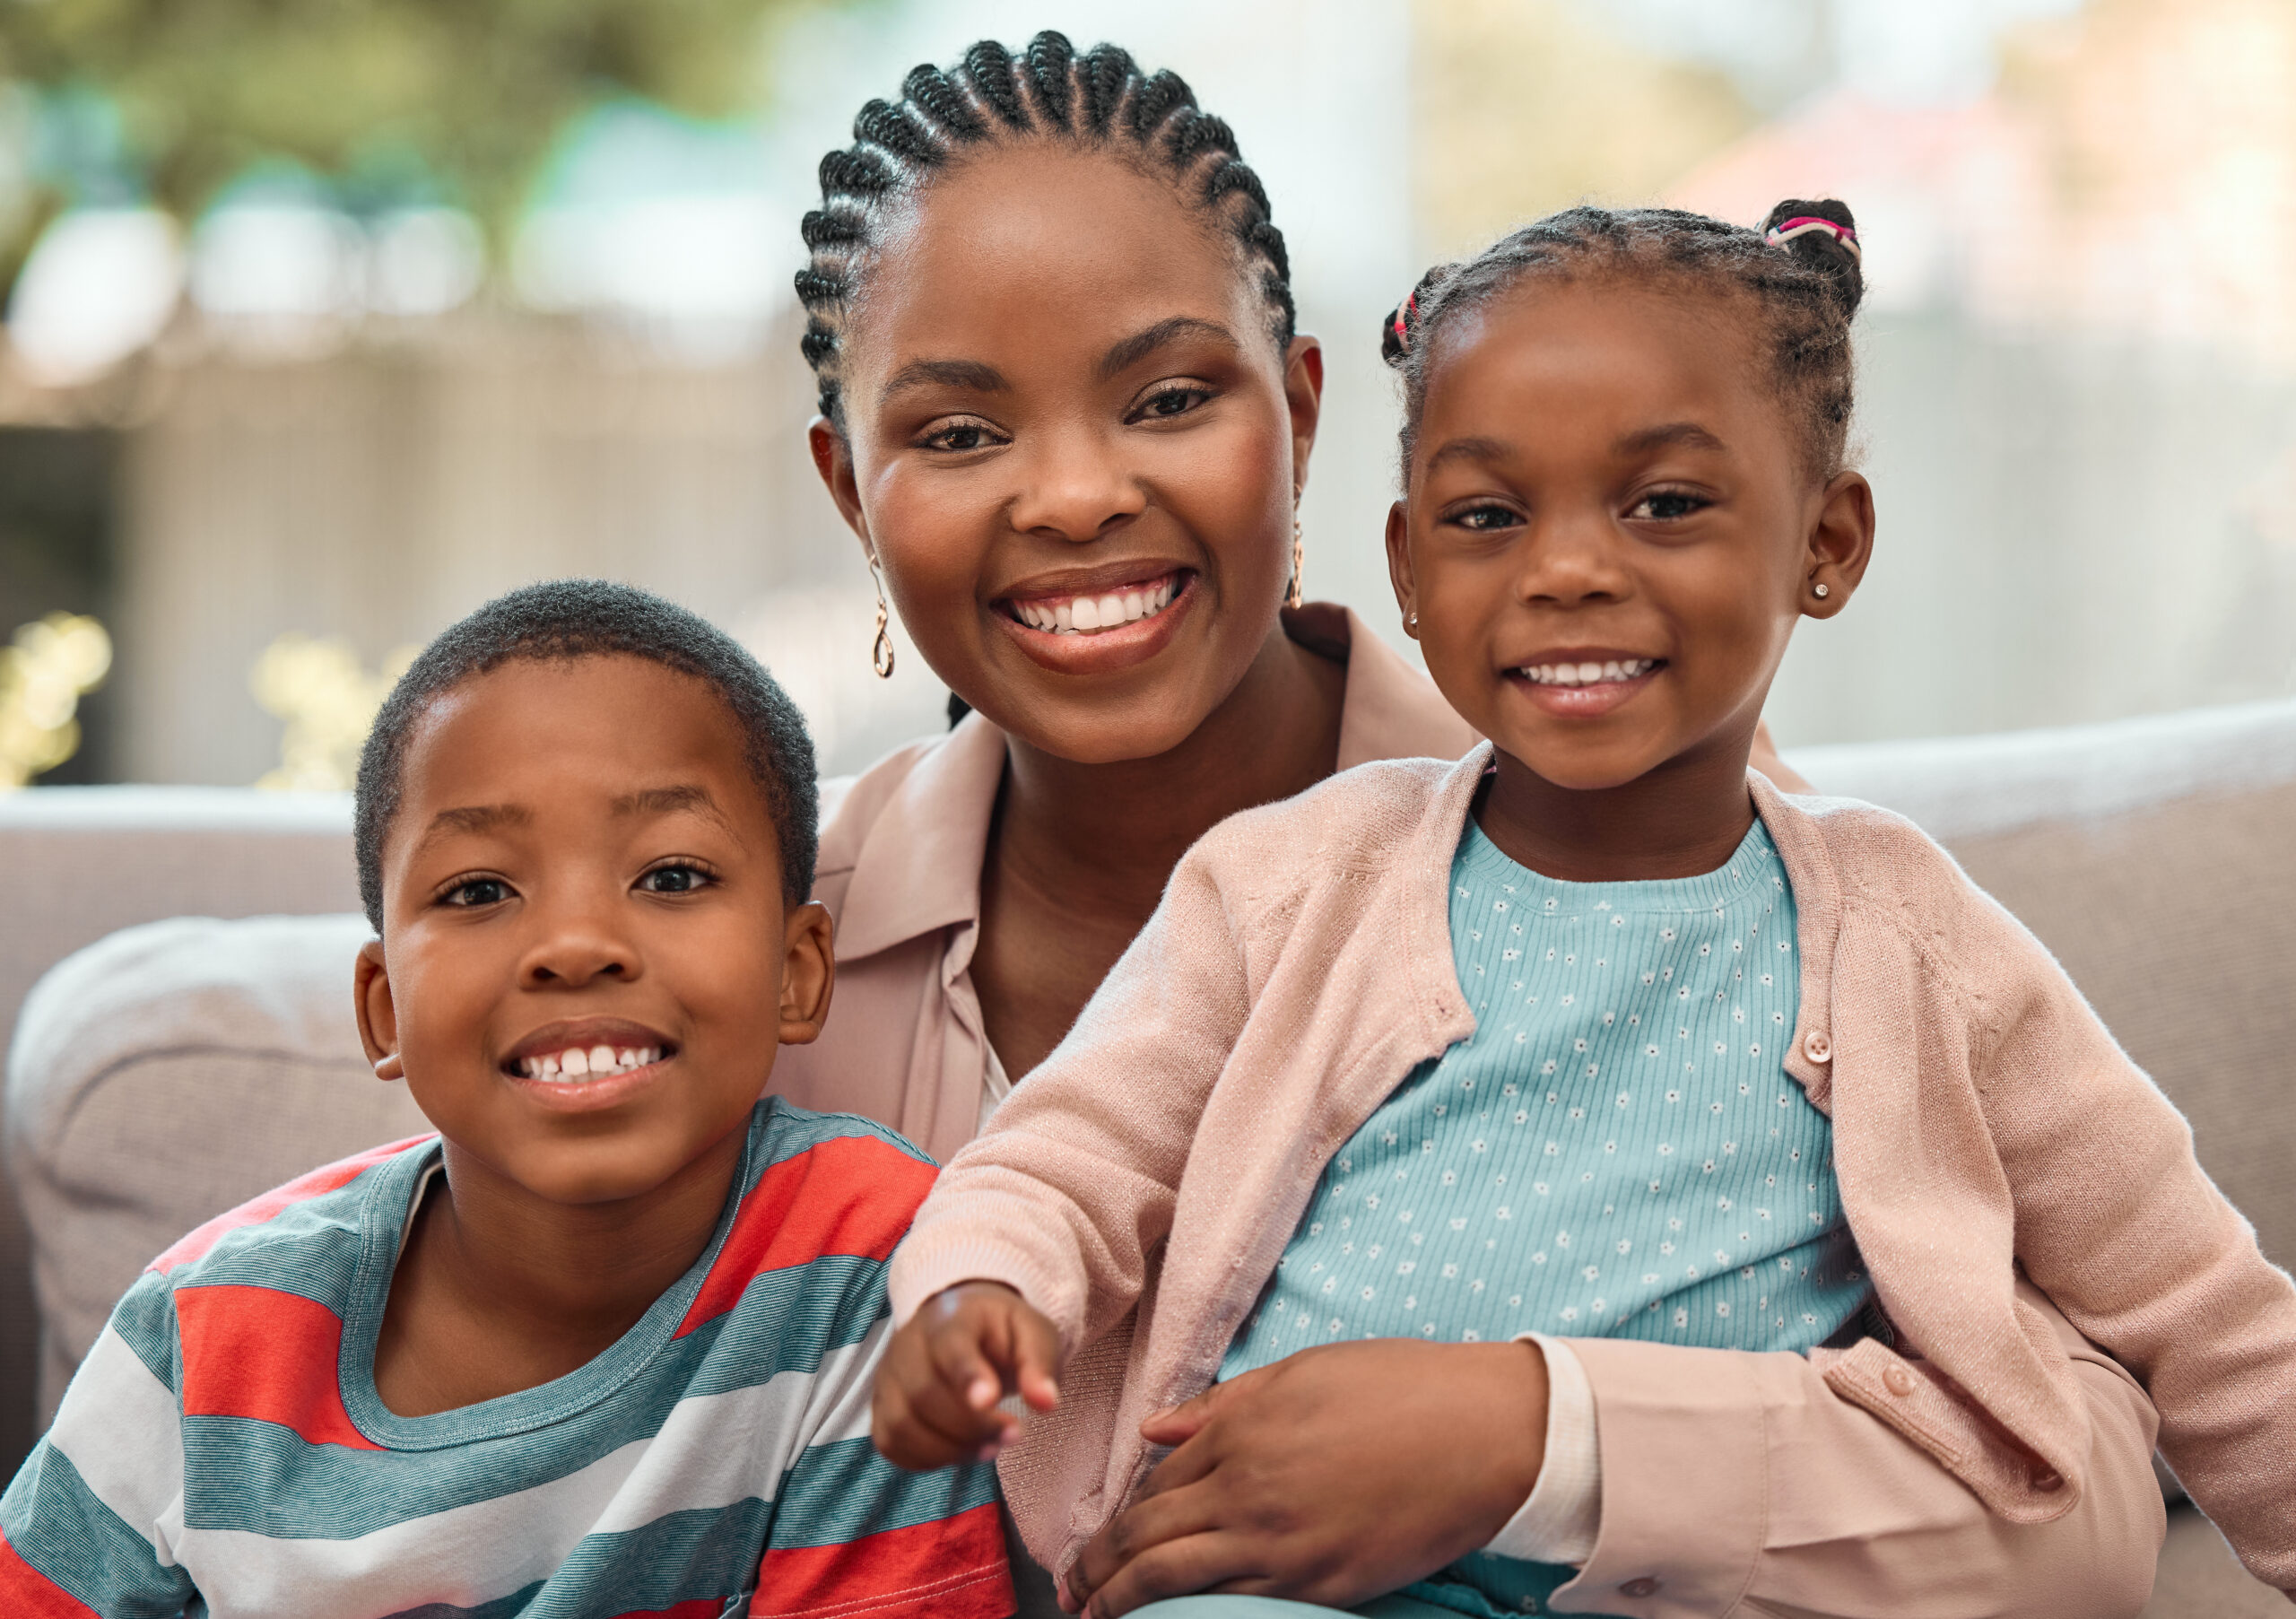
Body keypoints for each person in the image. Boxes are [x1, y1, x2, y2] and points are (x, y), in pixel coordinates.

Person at [872, 204, 2296, 1616]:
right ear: (1413, 569)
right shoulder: (1291, 878)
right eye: (1488, 517)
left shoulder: (1911, 934)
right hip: (1281, 1580)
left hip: (1701, 1575)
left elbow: (2203, 1317)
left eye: (1665, 504)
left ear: (1831, 541)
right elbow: (1062, 1160)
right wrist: (978, 1291)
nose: (1565, 571)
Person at [772, 31, 1805, 1169]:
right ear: (850, 493)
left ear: (1298, 418)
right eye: (960, 434)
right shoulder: (749, 944)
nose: (1074, 499)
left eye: (1167, 399)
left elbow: (1993, 1324)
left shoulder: (1690, 824)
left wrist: (1538, 1365)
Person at [0, 581, 1013, 1619]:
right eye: (480, 889)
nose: (575, 945)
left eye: (668, 874)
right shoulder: (198, 1334)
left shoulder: (871, 1271)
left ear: (797, 972)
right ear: (383, 1009)